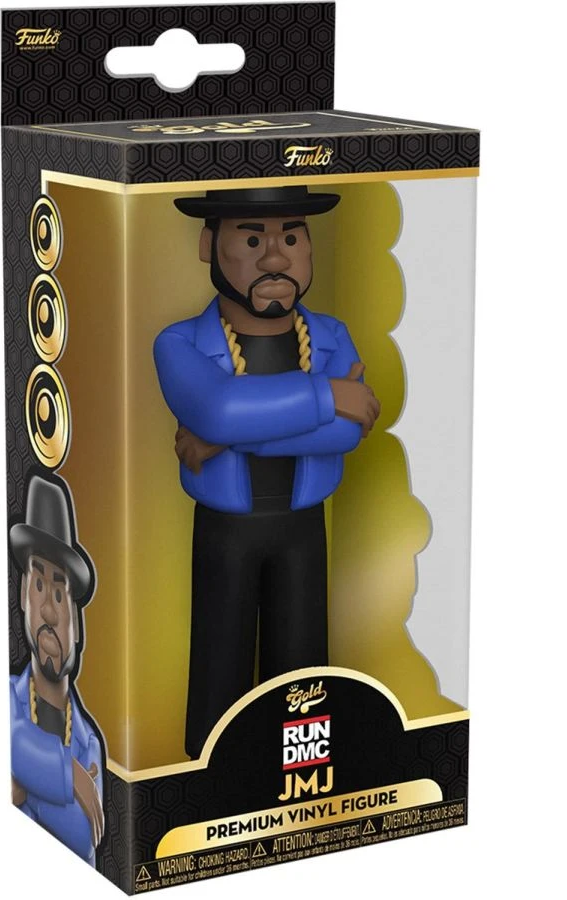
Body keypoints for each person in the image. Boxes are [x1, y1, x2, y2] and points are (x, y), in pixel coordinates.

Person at [153, 186, 380, 758]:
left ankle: (296, 772)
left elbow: (345, 434)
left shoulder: (330, 336)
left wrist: (222, 437)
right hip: (225, 533)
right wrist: (330, 395)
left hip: (304, 528)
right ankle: (210, 773)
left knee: (302, 672)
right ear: (208, 245)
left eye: (292, 237)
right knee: (219, 665)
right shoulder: (178, 343)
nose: (276, 257)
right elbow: (218, 408)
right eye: (252, 240)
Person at [9, 474, 105, 864]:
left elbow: (83, 837)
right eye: (38, 586)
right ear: (22, 595)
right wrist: (70, 775)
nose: (49, 610)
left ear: (76, 625)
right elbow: (11, 737)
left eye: (59, 593)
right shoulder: (5, 698)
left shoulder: (89, 743)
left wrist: (22, 785)